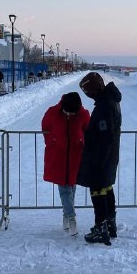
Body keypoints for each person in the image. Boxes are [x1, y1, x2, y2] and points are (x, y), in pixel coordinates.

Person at [76, 72, 122, 246]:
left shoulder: (105, 106)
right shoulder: (111, 101)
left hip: (102, 157)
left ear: (93, 89)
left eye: (87, 90)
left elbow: (105, 136)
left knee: (98, 191)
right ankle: (110, 224)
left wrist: (97, 161)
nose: (87, 94)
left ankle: (100, 228)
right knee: (107, 188)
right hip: (109, 156)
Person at [42, 92, 91, 235]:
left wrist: (82, 143)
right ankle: (71, 218)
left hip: (76, 157)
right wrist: (52, 142)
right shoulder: (52, 112)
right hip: (58, 156)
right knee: (65, 189)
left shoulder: (83, 114)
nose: (69, 114)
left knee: (72, 187)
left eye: (72, 113)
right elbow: (45, 128)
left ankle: (66, 215)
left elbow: (87, 131)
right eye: (66, 112)